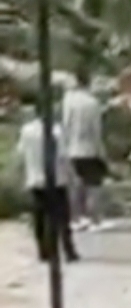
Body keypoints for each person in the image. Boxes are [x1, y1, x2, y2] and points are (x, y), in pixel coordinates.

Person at [19, 108, 78, 262]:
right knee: (62, 218)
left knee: (39, 217)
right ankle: (67, 250)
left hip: (35, 178)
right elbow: (64, 155)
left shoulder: (27, 131)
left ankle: (43, 251)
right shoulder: (57, 131)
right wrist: (71, 175)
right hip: (57, 179)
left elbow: (21, 152)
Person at [61, 68, 107, 230]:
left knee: (74, 185)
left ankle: (75, 218)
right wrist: (101, 150)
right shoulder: (93, 102)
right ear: (88, 82)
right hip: (90, 148)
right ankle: (93, 218)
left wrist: (64, 147)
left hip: (72, 148)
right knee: (93, 185)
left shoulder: (68, 100)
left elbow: (65, 125)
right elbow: (96, 130)